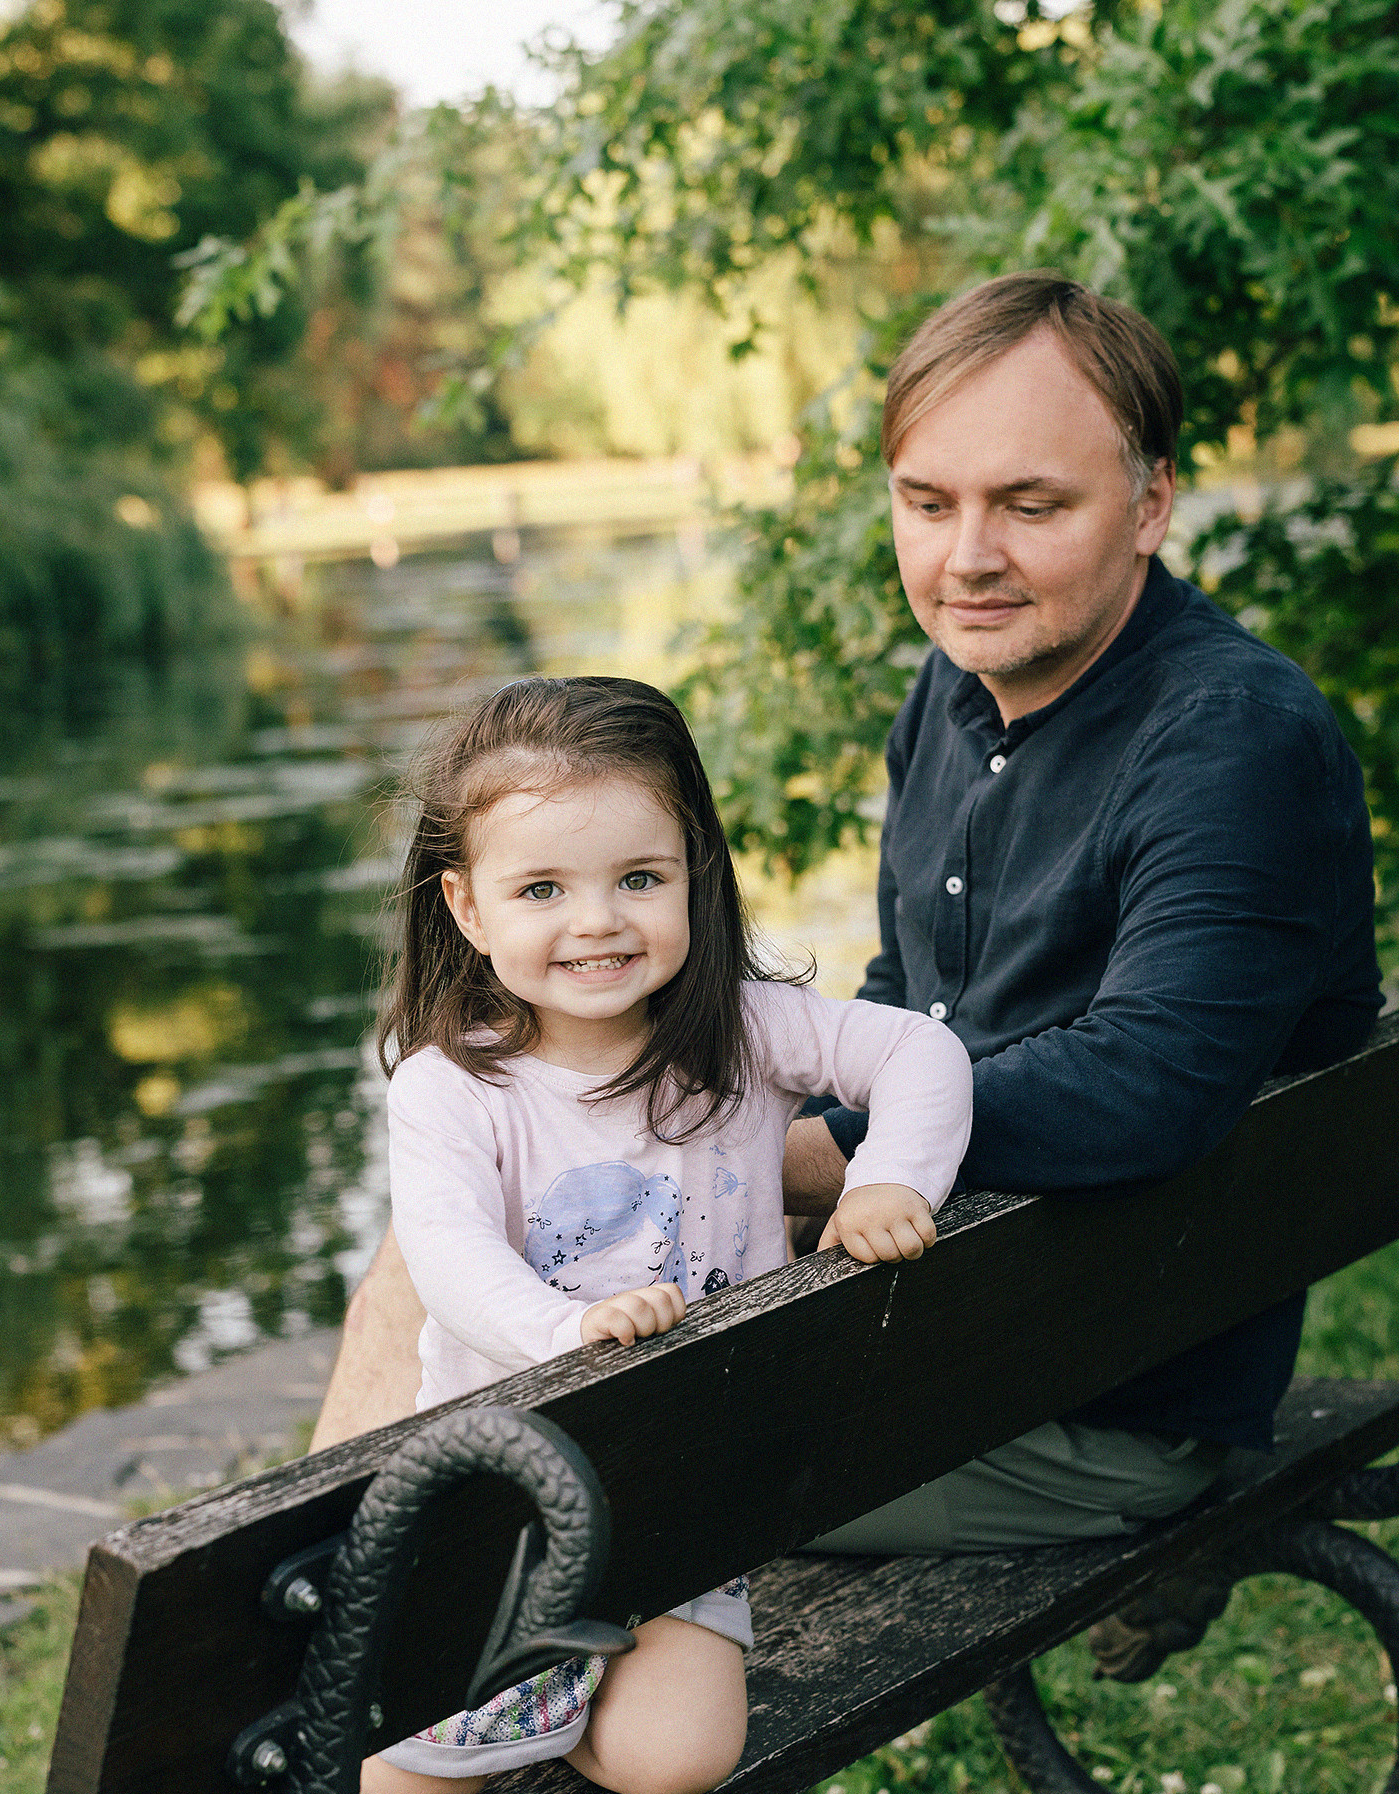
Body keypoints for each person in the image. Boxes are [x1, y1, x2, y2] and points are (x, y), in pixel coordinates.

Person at [317, 270, 1382, 1681]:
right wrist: (779, 1137)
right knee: (462, 1250)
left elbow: (1151, 1088)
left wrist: (802, 1161)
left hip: (1089, 1395)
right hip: (957, 1310)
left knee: (515, 1384)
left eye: (1031, 504)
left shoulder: (1229, 744)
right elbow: (897, 1007)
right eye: (926, 503)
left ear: (1151, 504)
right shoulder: (948, 700)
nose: (966, 557)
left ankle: (324, 1671)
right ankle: (330, 1644)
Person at [359, 676, 973, 1794]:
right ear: (467, 905)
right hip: (501, 1507)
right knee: (388, 1783)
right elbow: (443, 1255)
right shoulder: (454, 1089)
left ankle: (575, 1678)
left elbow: (922, 1057)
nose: (596, 921)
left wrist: (891, 1178)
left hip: (682, 1489)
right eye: (541, 887)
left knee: (672, 1758)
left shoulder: (741, 1029)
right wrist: (565, 1329)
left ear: (692, 868)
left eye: (638, 878)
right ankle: (527, 1668)